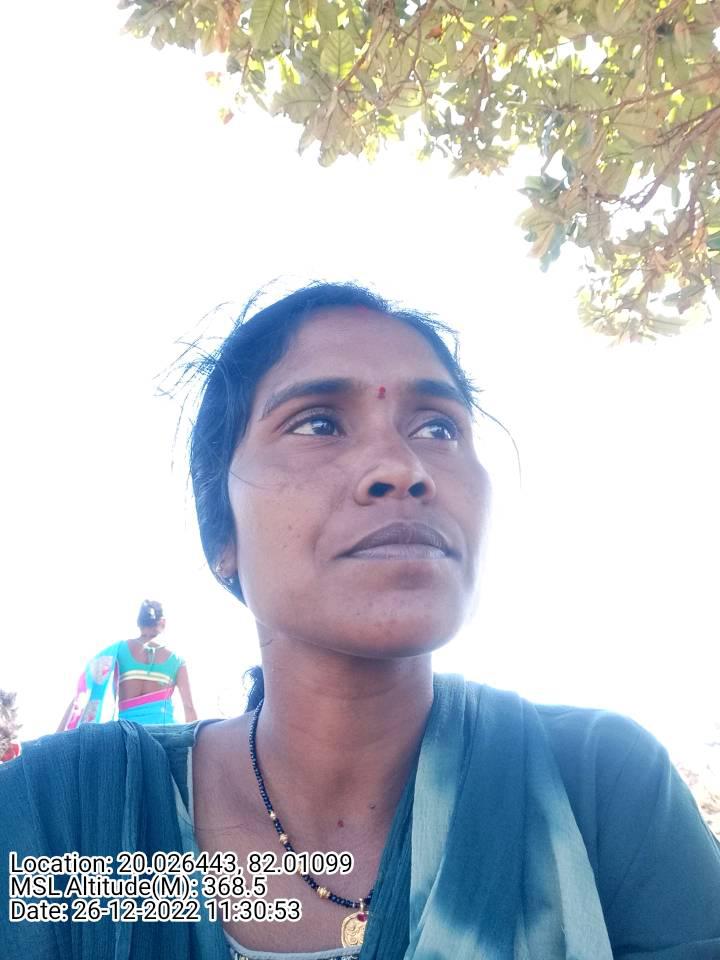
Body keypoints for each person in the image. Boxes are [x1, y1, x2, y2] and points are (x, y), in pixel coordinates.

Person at [1, 282, 719, 960]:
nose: (403, 468)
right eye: (319, 423)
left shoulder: (596, 789)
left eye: (437, 427)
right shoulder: (61, 820)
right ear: (222, 535)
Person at [57, 600, 197, 729]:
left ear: (138, 623)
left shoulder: (117, 651)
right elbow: (189, 708)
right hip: (164, 734)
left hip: (125, 733)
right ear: (163, 622)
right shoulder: (176, 660)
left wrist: (58, 735)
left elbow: (84, 692)